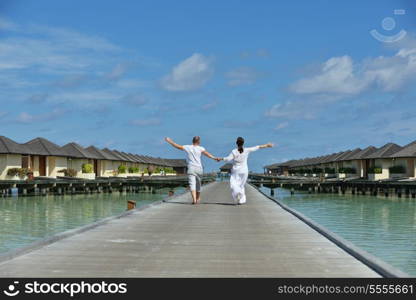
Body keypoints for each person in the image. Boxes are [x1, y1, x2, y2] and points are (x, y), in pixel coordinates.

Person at [218, 137, 273, 205]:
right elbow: (257, 147)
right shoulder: (247, 150)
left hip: (236, 171)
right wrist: (267, 145)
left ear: (236, 143)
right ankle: (241, 200)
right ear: (243, 143)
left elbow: (227, 159)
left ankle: (239, 193)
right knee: (241, 185)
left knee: (233, 184)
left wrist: (220, 159)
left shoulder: (234, 151)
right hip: (244, 170)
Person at [165, 136, 219, 204]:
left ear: (192, 141)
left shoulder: (188, 147)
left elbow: (177, 146)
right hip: (199, 168)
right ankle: (198, 198)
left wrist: (170, 141)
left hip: (191, 168)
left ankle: (194, 199)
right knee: (198, 184)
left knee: (192, 184)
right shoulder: (201, 148)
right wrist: (215, 158)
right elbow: (207, 154)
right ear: (199, 142)